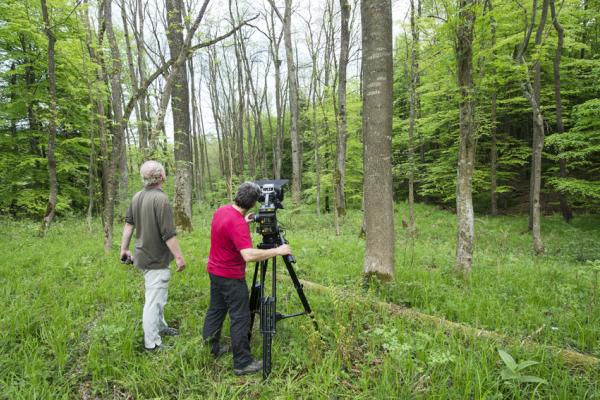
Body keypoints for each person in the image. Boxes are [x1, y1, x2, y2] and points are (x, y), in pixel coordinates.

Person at [203, 182, 291, 376]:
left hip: (215, 271)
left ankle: (211, 347)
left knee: (216, 309)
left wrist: (246, 220)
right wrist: (278, 250)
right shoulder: (238, 224)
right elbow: (248, 255)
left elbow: (228, 226)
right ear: (253, 203)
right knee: (240, 317)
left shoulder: (223, 211)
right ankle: (242, 362)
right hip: (230, 277)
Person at [120, 160, 186, 351]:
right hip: (155, 258)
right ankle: (152, 343)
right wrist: (179, 257)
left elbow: (128, 225)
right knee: (153, 300)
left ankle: (161, 326)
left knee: (157, 295)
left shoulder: (137, 196)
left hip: (142, 255)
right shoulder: (161, 199)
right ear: (162, 177)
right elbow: (168, 234)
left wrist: (123, 249)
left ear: (144, 178)